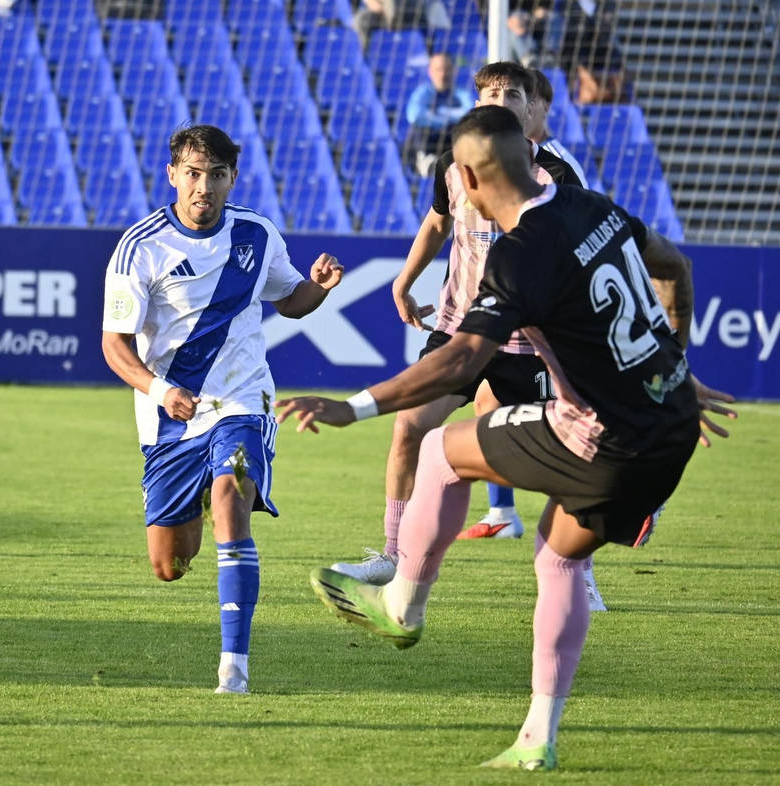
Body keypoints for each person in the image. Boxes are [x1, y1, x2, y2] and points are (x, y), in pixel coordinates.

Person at [283, 105, 736, 773]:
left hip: (596, 442)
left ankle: (402, 606)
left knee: (440, 450)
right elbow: (674, 267)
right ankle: (536, 738)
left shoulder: (519, 254)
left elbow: (461, 363)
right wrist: (673, 369)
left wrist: (352, 407)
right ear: (532, 155)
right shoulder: (594, 207)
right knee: (558, 562)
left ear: (465, 177)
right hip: (668, 434)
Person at [332, 66, 605, 609]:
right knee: (409, 426)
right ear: (476, 103)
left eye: (514, 94)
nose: (502, 101)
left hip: (529, 340)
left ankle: (580, 568)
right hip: (460, 328)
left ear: (532, 110)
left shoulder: (557, 174)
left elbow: (580, 253)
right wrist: (405, 280)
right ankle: (392, 555)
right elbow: (437, 223)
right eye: (491, 93)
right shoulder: (452, 166)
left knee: (562, 453)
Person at [101, 125, 344, 695]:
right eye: (192, 173)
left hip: (243, 399)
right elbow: (115, 345)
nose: (202, 186)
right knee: (170, 565)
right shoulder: (141, 247)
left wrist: (319, 288)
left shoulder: (257, 235)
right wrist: (161, 391)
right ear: (172, 176)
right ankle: (204, 503)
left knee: (232, 496)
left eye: (215, 175)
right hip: (170, 417)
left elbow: (290, 300)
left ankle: (233, 666)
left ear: (233, 178)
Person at [557, 0, 628, 104]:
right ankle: (589, 88)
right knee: (575, 52)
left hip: (600, 48)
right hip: (576, 50)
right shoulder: (564, 4)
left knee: (615, 53)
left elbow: (608, 27)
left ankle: (610, 90)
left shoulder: (606, 2)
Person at [400, 52, 476, 173]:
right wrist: (448, 118)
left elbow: (471, 113)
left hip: (452, 137)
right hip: (429, 138)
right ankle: (426, 161)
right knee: (417, 129)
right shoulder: (424, 93)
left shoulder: (461, 94)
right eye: (438, 69)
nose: (443, 74)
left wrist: (439, 113)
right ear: (430, 72)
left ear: (454, 71)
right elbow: (414, 115)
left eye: (447, 69)